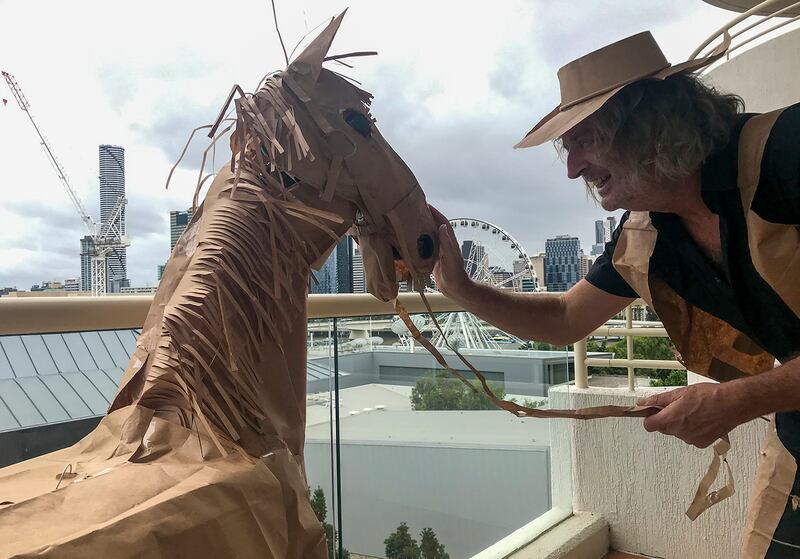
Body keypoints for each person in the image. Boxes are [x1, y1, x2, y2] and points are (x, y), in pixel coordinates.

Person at [431, 31, 799, 557]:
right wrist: (461, 288)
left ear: (650, 124)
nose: (572, 167)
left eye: (585, 140)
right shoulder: (644, 236)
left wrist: (736, 399)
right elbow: (564, 319)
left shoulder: (787, 150)